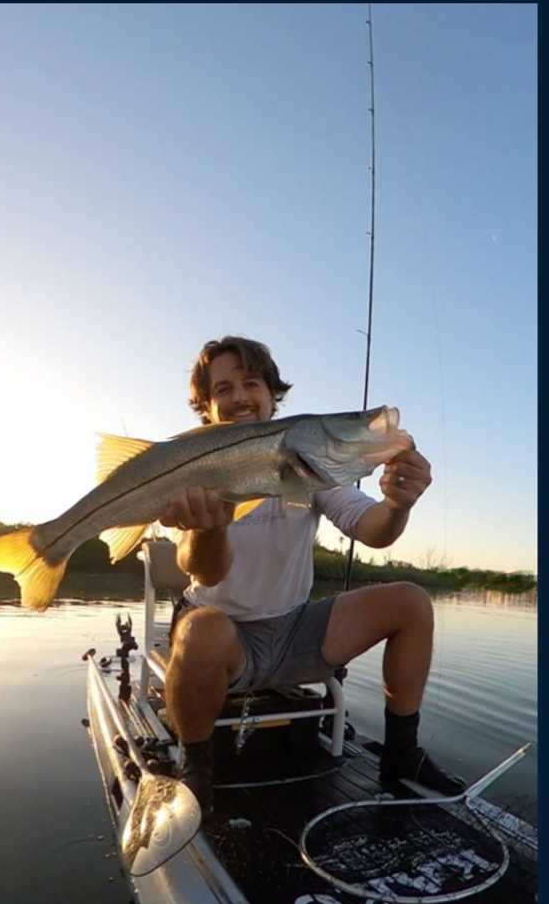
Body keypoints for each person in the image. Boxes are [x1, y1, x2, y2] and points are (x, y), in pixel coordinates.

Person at [158, 335, 465, 818]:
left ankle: (402, 753)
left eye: (251, 382)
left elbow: (374, 531)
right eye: (223, 388)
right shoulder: (192, 467)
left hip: (295, 630)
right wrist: (211, 526)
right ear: (207, 407)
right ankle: (196, 770)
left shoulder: (308, 465)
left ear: (272, 395)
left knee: (410, 601)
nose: (240, 396)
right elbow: (206, 571)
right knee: (200, 628)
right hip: (224, 639)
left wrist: (397, 504)